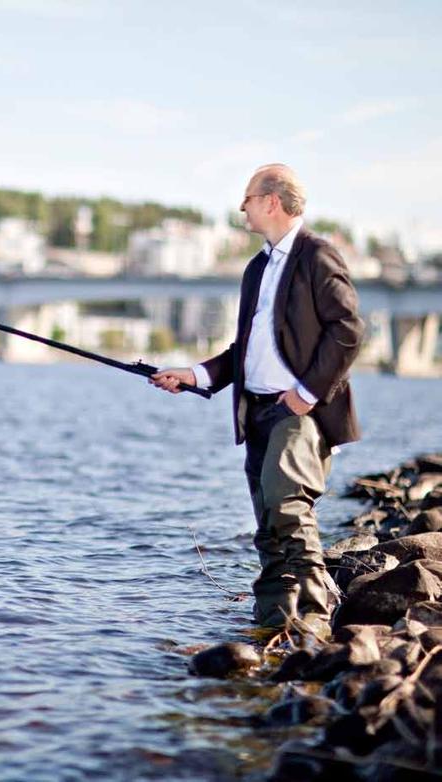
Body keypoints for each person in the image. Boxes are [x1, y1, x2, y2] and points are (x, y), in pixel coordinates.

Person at [151, 164, 363, 632]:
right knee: (268, 522)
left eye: (247, 198)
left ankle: (316, 614)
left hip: (298, 412)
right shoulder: (257, 267)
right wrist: (193, 375)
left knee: (287, 507)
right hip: (260, 410)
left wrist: (306, 395)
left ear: (271, 201)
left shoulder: (317, 256)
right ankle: (273, 623)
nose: (241, 207)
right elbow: (244, 351)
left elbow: (348, 332)